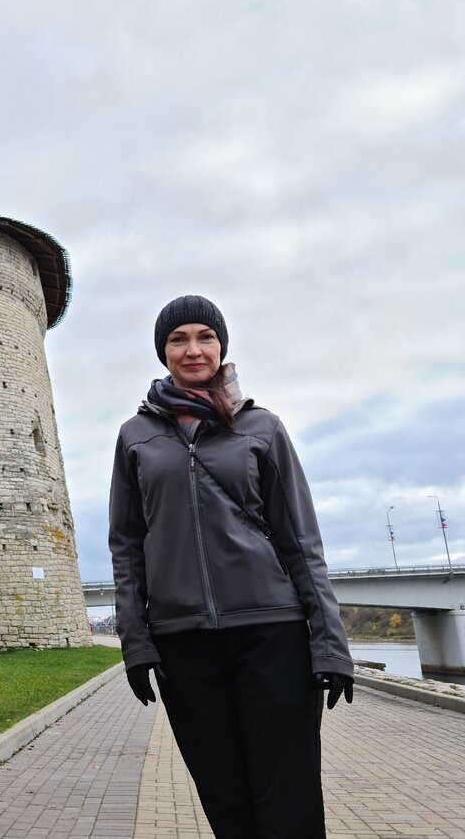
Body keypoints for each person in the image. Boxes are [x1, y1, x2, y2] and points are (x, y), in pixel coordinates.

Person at [108, 295, 354, 839]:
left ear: (221, 347)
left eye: (204, 337)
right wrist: (136, 641)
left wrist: (330, 643)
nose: (193, 350)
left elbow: (301, 542)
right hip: (184, 644)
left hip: (273, 635)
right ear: (163, 351)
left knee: (288, 801)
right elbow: (126, 546)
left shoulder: (261, 427)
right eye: (178, 339)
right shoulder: (135, 436)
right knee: (225, 801)